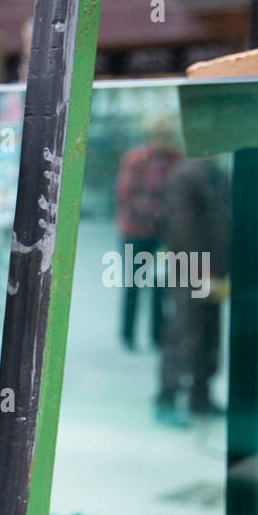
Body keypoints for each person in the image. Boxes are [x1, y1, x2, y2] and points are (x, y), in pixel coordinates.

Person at [156, 156, 231, 426]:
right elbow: (182, 227)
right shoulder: (186, 176)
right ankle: (168, 396)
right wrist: (202, 268)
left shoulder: (216, 174)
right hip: (191, 269)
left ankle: (201, 396)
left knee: (209, 332)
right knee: (185, 332)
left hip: (213, 268)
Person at [114, 115, 181, 349]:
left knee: (160, 284)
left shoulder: (176, 159)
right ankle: (128, 334)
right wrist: (156, 211)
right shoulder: (135, 160)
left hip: (164, 234)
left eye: (167, 136)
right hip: (136, 231)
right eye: (160, 136)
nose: (164, 141)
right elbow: (126, 194)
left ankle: (157, 335)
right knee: (134, 283)